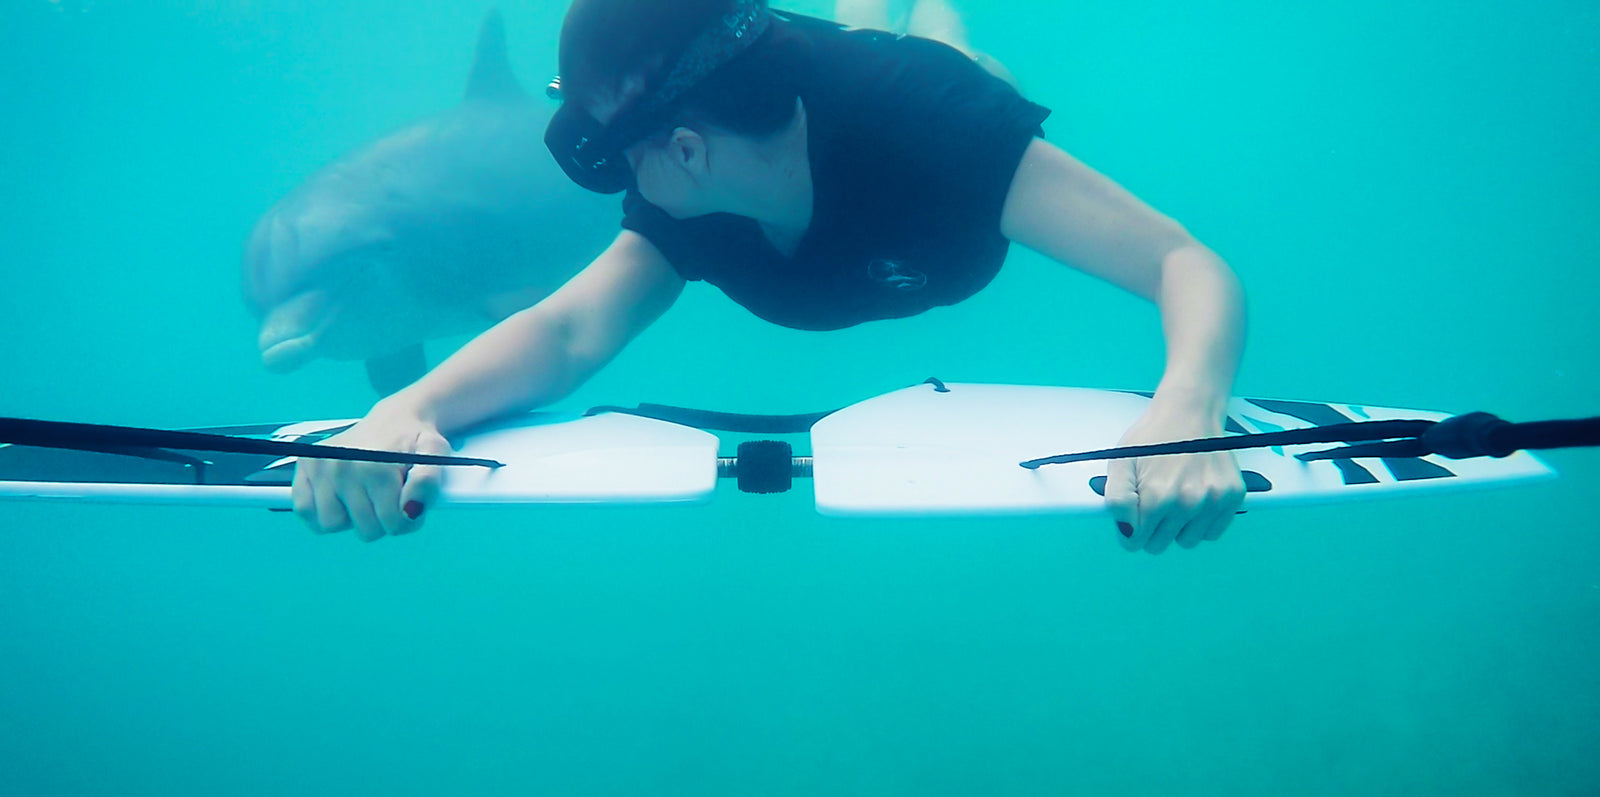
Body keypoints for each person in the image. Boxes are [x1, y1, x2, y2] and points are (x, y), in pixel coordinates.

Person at [293, 0, 1247, 554]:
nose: (623, 185)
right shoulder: (687, 195)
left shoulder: (944, 128)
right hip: (811, 89)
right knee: (867, 37)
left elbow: (1182, 261)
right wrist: (408, 409)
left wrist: (1188, 407)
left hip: (917, 100)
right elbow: (568, 330)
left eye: (618, 158)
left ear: (687, 149)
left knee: (945, 55)